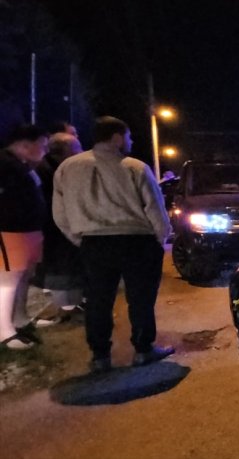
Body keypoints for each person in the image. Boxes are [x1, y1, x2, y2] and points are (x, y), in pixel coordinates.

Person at [53, 116, 173, 372]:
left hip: (94, 243)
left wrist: (79, 238)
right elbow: (155, 207)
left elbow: (59, 213)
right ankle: (143, 349)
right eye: (128, 136)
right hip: (136, 241)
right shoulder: (135, 167)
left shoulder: (67, 168)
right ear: (117, 137)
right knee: (140, 298)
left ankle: (100, 356)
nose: (130, 141)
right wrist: (161, 238)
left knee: (98, 300)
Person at [0, 125, 49, 350]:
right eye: (42, 145)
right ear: (25, 144)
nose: (45, 150)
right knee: (7, 282)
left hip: (27, 230)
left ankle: (21, 319)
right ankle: (4, 332)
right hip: (11, 230)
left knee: (23, 278)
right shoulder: (5, 164)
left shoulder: (22, 165)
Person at [33, 133, 85, 317]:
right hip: (53, 230)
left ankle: (69, 305)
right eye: (77, 149)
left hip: (58, 228)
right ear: (65, 151)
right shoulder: (47, 170)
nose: (81, 153)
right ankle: (63, 308)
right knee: (59, 268)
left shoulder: (55, 168)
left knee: (66, 266)